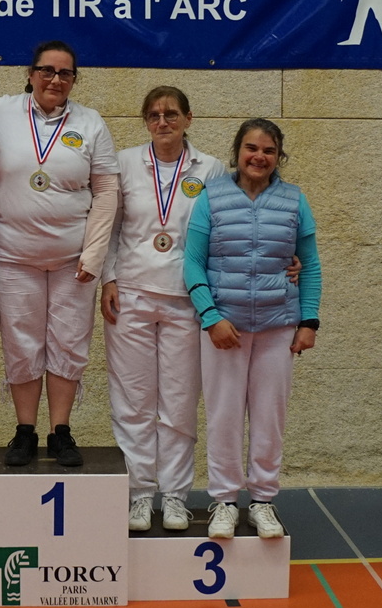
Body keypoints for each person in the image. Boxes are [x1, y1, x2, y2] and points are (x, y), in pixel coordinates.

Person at [0, 41, 118, 468]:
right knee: (22, 343)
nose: (55, 79)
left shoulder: (90, 123)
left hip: (74, 262)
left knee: (69, 343)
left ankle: (60, 432)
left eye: (65, 73)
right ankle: (24, 430)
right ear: (31, 74)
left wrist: (94, 253)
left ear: (74, 80)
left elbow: (107, 191)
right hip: (14, 258)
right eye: (47, 71)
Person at [184, 118, 321, 541]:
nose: (259, 156)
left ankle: (262, 500)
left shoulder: (295, 200)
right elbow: (192, 262)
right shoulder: (211, 197)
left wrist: (309, 321)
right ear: (237, 152)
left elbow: (310, 265)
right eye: (251, 148)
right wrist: (211, 317)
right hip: (224, 329)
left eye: (268, 150)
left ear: (278, 156)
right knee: (223, 416)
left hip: (278, 328)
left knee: (269, 418)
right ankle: (225, 500)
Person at [101, 86, 226, 532]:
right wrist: (108, 278)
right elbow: (109, 227)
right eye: (153, 115)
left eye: (171, 114)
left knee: (178, 402)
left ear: (188, 119)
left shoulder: (211, 168)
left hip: (186, 298)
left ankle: (174, 495)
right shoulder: (125, 162)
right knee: (133, 401)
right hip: (131, 294)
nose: (162, 122)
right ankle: (139, 494)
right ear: (145, 121)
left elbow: (224, 231)